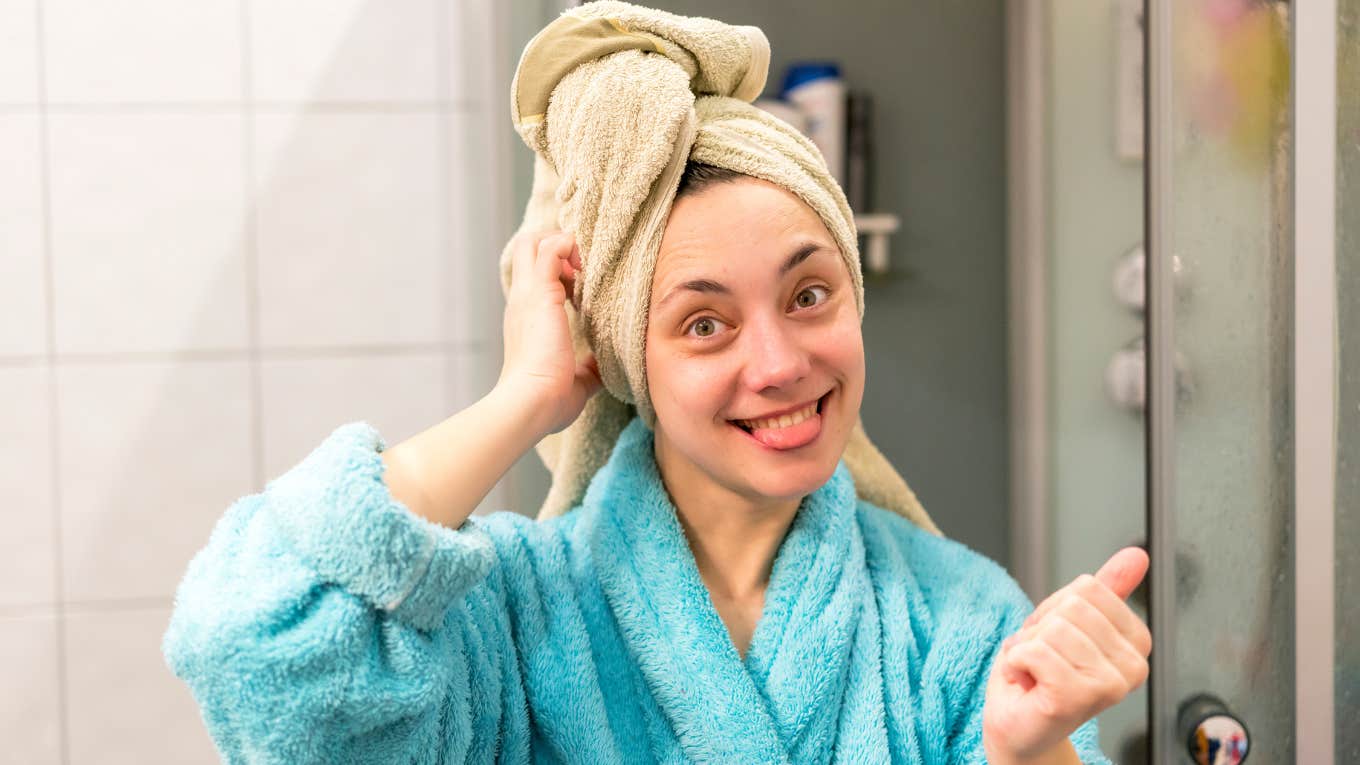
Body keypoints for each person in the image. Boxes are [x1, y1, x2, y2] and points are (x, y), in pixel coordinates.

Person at [163, 4, 1150, 763]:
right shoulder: (514, 619)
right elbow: (253, 650)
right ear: (629, 358)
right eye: (704, 322)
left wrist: (1029, 753)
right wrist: (526, 397)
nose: (777, 364)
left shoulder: (956, 617)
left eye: (809, 294)